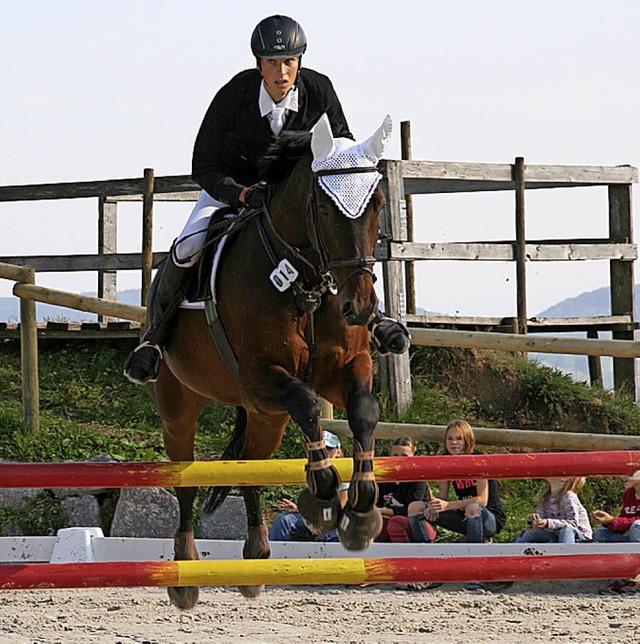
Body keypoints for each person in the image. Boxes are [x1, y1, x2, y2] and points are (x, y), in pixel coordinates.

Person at [124, 14, 410, 385]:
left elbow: (342, 151)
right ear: (258, 63)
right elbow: (204, 165)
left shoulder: (319, 91)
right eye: (272, 63)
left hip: (294, 201)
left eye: (289, 61)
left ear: (299, 61)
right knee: (187, 247)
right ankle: (154, 342)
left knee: (340, 237)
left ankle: (375, 317)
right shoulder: (234, 95)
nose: (281, 72)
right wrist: (241, 194)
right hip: (233, 191)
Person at [269, 430, 348, 542]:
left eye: (329, 449)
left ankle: (330, 556)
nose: (325, 453)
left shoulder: (343, 472)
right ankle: (276, 555)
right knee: (282, 520)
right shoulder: (312, 471)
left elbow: (340, 507)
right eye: (322, 449)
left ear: (339, 452)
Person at [375, 436, 436, 543]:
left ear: (413, 455)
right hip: (394, 522)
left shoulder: (418, 478)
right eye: (395, 455)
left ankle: (402, 555)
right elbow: (377, 504)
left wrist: (383, 511)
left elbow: (410, 509)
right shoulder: (384, 479)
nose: (399, 459)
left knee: (395, 522)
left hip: (421, 524)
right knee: (371, 523)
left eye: (404, 456)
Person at [592, 468, 640, 594]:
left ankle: (637, 579)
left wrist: (613, 520)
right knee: (600, 534)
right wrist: (608, 522)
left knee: (637, 526)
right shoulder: (628, 494)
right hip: (635, 539)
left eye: (629, 472)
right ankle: (620, 576)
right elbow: (624, 522)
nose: (621, 475)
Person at [514, 477, 592, 544]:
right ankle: (514, 555)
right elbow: (542, 521)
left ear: (564, 478)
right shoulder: (545, 497)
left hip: (578, 537)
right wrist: (535, 521)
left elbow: (573, 523)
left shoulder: (569, 496)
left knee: (566, 531)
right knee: (529, 533)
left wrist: (548, 522)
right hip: (556, 535)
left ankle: (565, 555)